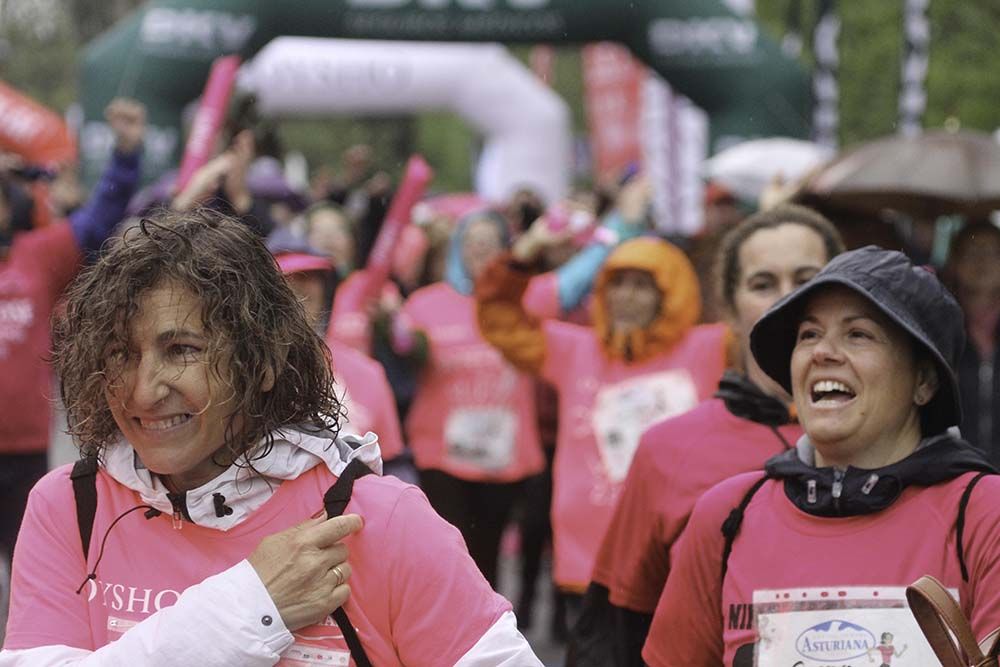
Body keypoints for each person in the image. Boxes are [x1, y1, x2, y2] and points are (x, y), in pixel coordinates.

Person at [0, 209, 540, 665]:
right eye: (121, 352)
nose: (143, 391)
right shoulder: (70, 506)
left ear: (262, 362)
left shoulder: (375, 520)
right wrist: (252, 605)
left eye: (182, 349)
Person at [643, 246, 1000, 667]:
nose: (821, 353)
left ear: (923, 380)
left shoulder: (983, 514)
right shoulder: (727, 514)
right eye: (809, 334)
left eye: (858, 334)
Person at [568, 204, 845, 666]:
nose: (786, 298)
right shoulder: (669, 450)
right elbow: (614, 635)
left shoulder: (895, 444)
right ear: (730, 308)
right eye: (762, 284)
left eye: (806, 278)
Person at [475, 204, 729, 616]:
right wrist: (527, 250)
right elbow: (500, 318)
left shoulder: (710, 348)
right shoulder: (576, 350)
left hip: (679, 559)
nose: (625, 296)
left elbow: (766, 326)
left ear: (671, 293)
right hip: (590, 564)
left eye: (642, 285)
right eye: (617, 283)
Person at [0, 98, 144, 565]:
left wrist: (126, 155)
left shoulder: (36, 255)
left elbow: (102, 215)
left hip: (23, 450)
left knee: (28, 564)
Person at [382, 209, 545, 589]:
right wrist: (393, 325)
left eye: (489, 245)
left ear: (505, 251)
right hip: (442, 456)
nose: (480, 254)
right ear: (457, 250)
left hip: (503, 456)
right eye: (472, 245)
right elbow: (404, 351)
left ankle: (486, 633)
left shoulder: (525, 300)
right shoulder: (425, 302)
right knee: (448, 554)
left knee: (488, 559)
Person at [942, 221, 1000, 462]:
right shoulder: (940, 328)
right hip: (955, 473)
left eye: (992, 253)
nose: (981, 262)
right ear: (954, 262)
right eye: (972, 252)